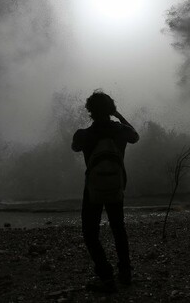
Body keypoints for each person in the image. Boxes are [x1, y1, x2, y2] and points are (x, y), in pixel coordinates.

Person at [71, 90, 139, 292]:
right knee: (118, 229)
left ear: (89, 111)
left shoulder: (84, 134)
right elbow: (135, 136)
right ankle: (125, 273)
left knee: (90, 233)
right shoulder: (120, 131)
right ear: (111, 109)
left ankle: (106, 275)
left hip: (92, 189)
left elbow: (75, 147)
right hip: (116, 186)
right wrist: (118, 115)